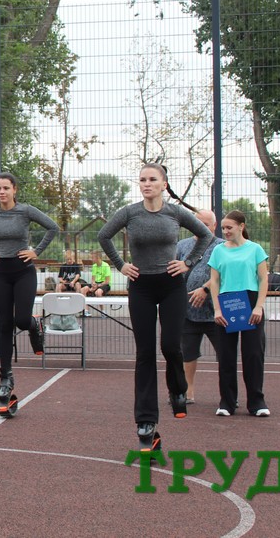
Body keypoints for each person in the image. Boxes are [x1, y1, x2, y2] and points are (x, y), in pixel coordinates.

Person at [98, 163, 213, 445]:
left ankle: (178, 390)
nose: (146, 184)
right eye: (142, 180)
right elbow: (104, 236)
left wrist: (188, 263)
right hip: (141, 287)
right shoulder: (129, 213)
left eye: (152, 179)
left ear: (164, 184)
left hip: (172, 285)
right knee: (145, 352)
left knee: (171, 346)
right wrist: (121, 265)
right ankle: (146, 420)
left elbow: (206, 236)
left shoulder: (175, 213)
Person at [0, 173, 59, 399]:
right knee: (4, 325)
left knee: (21, 320)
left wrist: (36, 251)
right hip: (0, 273)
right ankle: (5, 377)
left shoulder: (25, 211)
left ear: (14, 189)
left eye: (6, 188)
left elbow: (52, 227)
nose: (1, 192)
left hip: (23, 271)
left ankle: (34, 324)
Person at [209, 210, 270, 417]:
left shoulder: (256, 249)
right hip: (227, 302)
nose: (225, 231)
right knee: (226, 354)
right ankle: (227, 402)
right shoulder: (218, 251)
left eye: (229, 227)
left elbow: (263, 279)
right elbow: (214, 281)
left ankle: (257, 402)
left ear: (241, 226)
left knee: (253, 354)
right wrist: (217, 308)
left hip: (251, 301)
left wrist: (259, 306)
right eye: (223, 228)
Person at [176, 209, 224, 404]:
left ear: (214, 225)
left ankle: (228, 394)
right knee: (187, 354)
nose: (200, 228)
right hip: (187, 311)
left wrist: (205, 289)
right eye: (197, 224)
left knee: (225, 354)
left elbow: (224, 273)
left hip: (217, 312)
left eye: (205, 225)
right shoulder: (182, 245)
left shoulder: (222, 247)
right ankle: (187, 392)